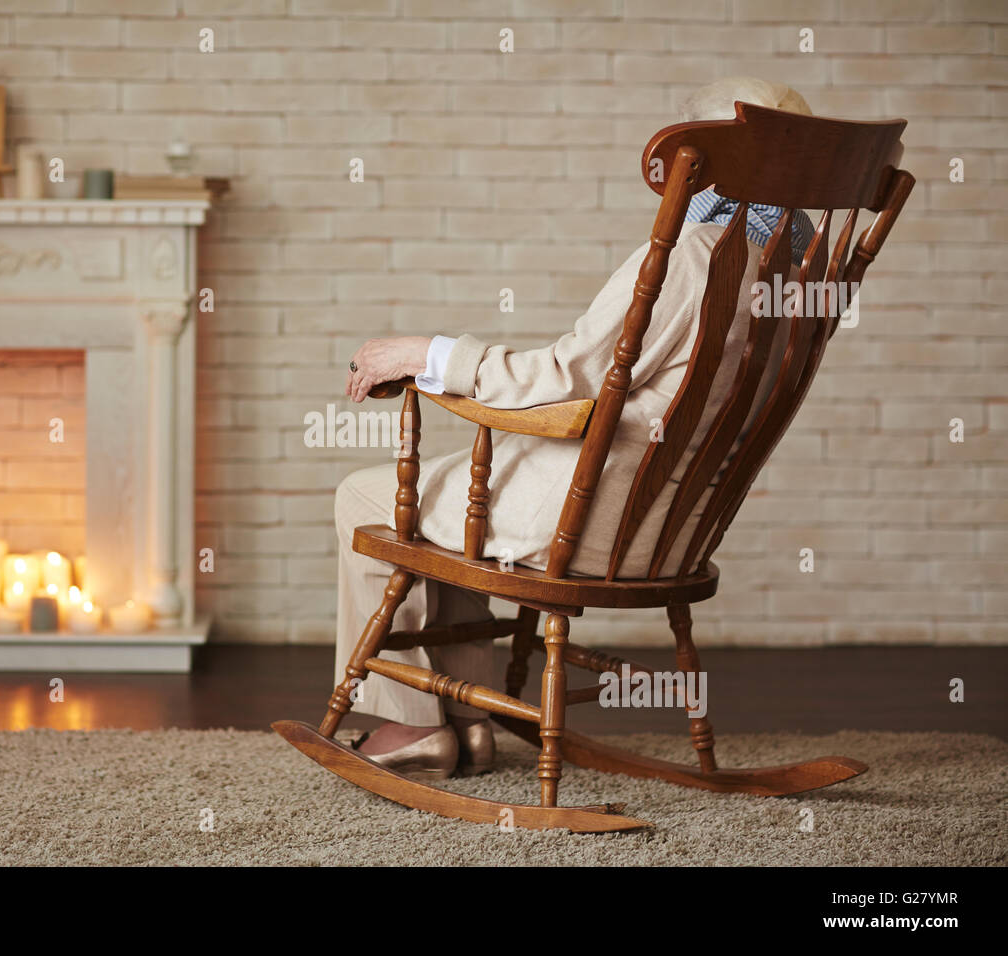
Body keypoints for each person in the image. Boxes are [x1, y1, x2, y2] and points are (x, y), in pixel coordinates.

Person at [334, 77, 814, 779]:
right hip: (666, 529)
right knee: (443, 513)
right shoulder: (794, 279)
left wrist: (426, 355)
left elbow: (568, 379)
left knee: (363, 497)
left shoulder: (691, 258)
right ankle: (464, 722)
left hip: (583, 523)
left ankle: (409, 724)